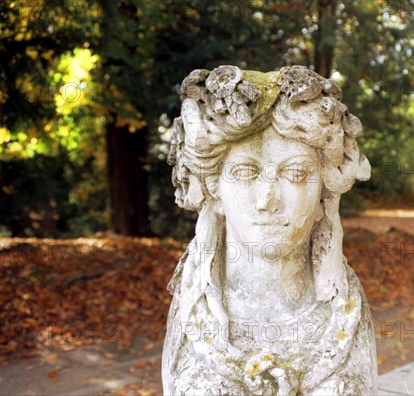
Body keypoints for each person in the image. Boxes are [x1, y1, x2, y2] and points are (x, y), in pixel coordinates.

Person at [162, 65, 378, 395]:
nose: (268, 199)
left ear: (324, 192)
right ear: (213, 188)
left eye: (295, 173)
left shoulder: (343, 313)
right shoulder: (194, 313)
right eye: (245, 172)